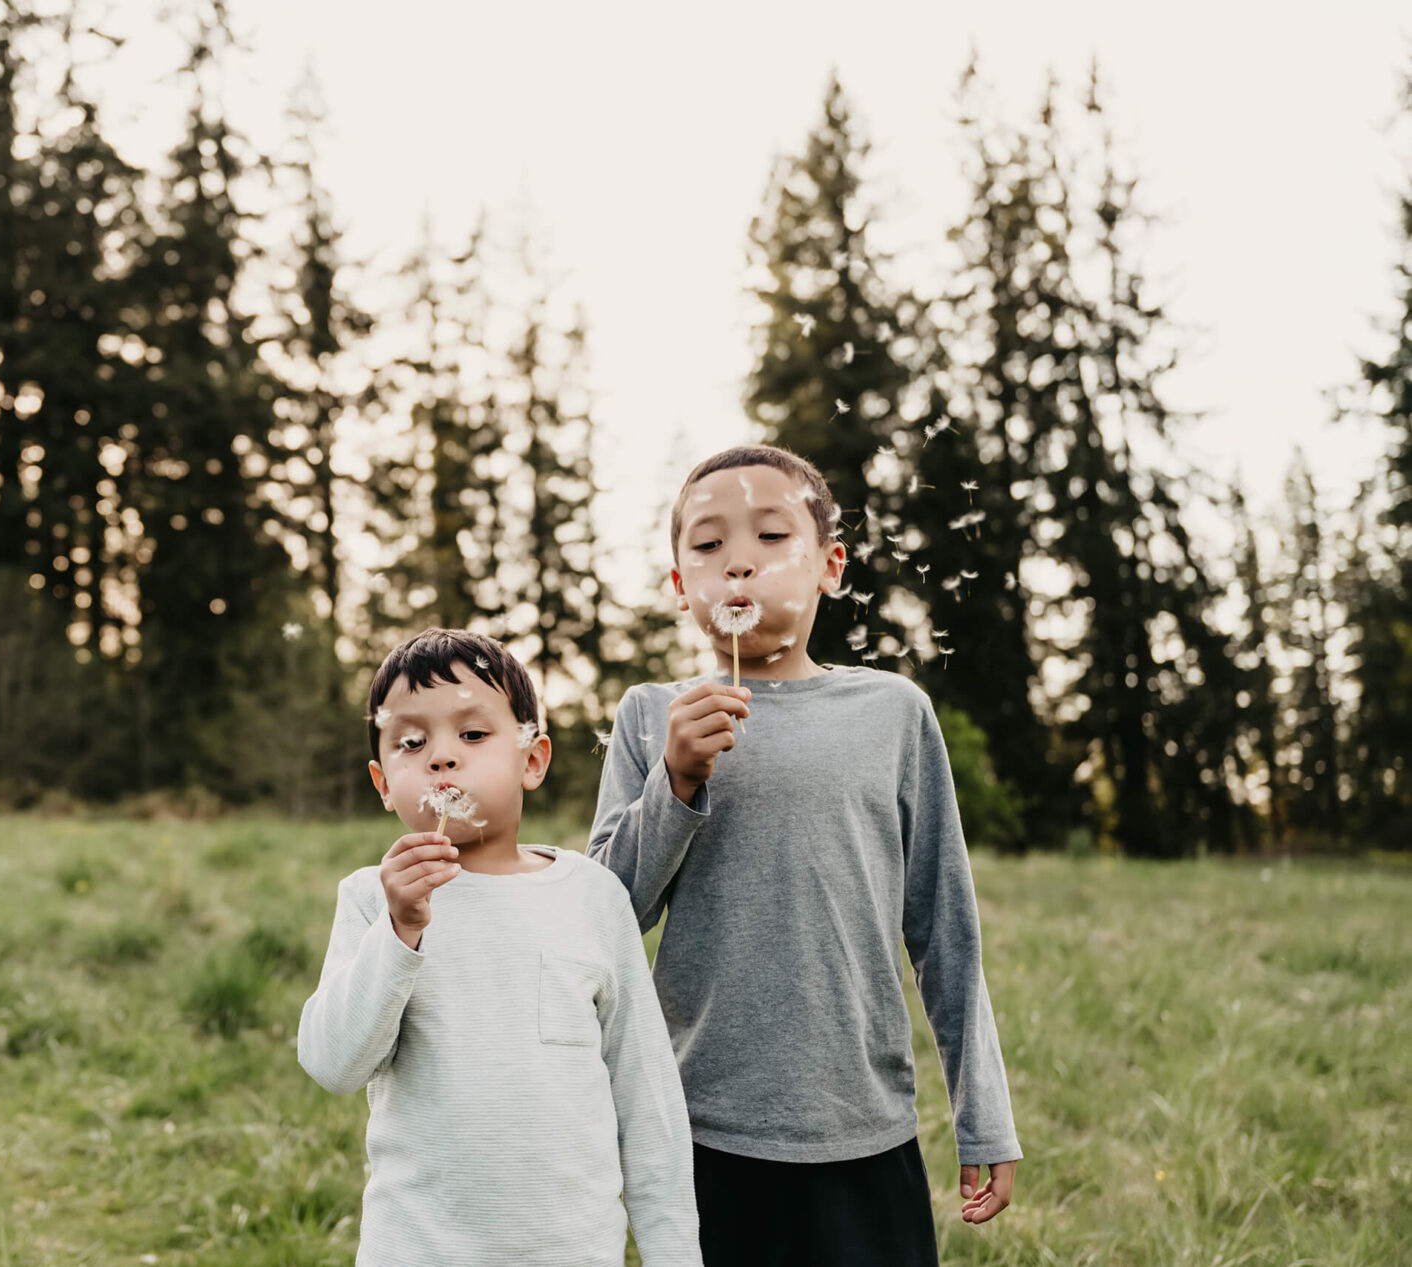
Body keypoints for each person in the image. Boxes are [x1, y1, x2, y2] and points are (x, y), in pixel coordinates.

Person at [588, 444, 1022, 1265]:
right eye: (709, 545)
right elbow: (608, 913)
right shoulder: (651, 717)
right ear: (681, 587)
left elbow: (946, 931)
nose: (739, 561)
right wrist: (675, 783)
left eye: (771, 535)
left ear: (831, 565)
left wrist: (983, 1111)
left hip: (863, 1126)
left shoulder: (893, 713)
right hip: (703, 1128)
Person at [297, 627, 701, 1267]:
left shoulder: (592, 898)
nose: (441, 757)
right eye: (412, 742)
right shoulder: (374, 900)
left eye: (473, 734)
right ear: (382, 782)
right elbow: (332, 1062)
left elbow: (645, 1094)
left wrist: (675, 1254)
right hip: (418, 1250)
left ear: (533, 760)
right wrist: (399, 931)